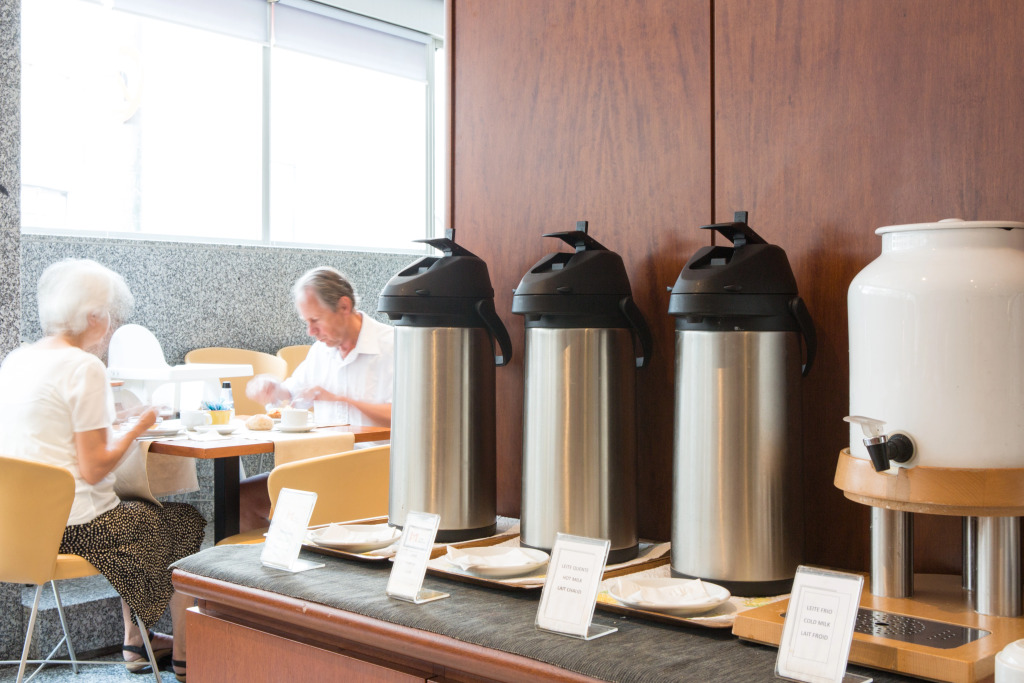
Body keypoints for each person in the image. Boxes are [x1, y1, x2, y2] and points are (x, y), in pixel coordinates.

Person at [0, 259, 205, 682]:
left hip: (18, 528)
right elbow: (94, 468)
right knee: (183, 521)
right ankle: (186, 655)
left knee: (139, 513)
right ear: (93, 316)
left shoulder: (17, 360)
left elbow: (53, 432)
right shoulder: (83, 366)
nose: (112, 325)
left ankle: (137, 640)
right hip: (75, 528)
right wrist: (140, 423)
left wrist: (118, 422)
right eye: (110, 314)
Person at [239, 266, 394, 530]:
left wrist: (342, 399)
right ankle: (277, 556)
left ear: (344, 306)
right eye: (306, 322)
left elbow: (406, 417)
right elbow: (293, 392)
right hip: (323, 465)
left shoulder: (393, 345)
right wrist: (273, 388)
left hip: (374, 470)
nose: (311, 331)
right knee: (241, 499)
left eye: (316, 320)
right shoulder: (321, 351)